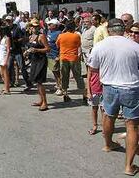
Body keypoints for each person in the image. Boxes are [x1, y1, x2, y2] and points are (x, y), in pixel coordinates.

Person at [88, 19, 139, 176]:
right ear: (123, 30)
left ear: (108, 30)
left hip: (109, 86)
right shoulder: (135, 46)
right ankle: (129, 167)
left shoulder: (100, 46)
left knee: (109, 116)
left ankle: (108, 144)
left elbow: (93, 69)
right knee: (132, 126)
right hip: (131, 87)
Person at [56, 21, 86, 104]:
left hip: (63, 58)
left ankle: (65, 94)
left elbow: (57, 45)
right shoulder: (76, 36)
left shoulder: (61, 36)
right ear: (73, 28)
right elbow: (78, 45)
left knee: (64, 76)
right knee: (78, 76)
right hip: (74, 58)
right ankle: (84, 94)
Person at [25, 19, 50, 111]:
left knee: (40, 82)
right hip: (34, 60)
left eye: (36, 26)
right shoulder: (31, 36)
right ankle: (41, 100)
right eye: (32, 26)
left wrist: (37, 50)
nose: (34, 28)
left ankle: (45, 103)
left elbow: (48, 49)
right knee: (36, 81)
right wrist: (27, 52)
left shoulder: (41, 36)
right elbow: (30, 47)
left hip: (41, 60)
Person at [5, 16, 31, 90]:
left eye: (9, 21)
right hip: (10, 51)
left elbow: (22, 38)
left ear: (12, 21)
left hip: (17, 50)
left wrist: (16, 41)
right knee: (9, 67)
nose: (8, 22)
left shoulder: (17, 28)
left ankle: (28, 83)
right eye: (7, 21)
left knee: (22, 67)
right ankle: (11, 82)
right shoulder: (6, 29)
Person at [46, 19, 62, 95]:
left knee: (57, 72)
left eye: (50, 24)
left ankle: (60, 88)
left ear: (55, 26)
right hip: (49, 55)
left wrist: (58, 56)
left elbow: (61, 46)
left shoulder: (59, 33)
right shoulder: (49, 32)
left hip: (55, 55)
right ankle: (57, 84)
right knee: (54, 72)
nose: (48, 26)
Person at [0, 25, 11, 95]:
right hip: (1, 56)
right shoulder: (2, 38)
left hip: (5, 57)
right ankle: (5, 86)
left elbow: (8, 50)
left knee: (5, 74)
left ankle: (7, 89)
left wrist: (6, 60)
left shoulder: (7, 38)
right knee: (2, 73)